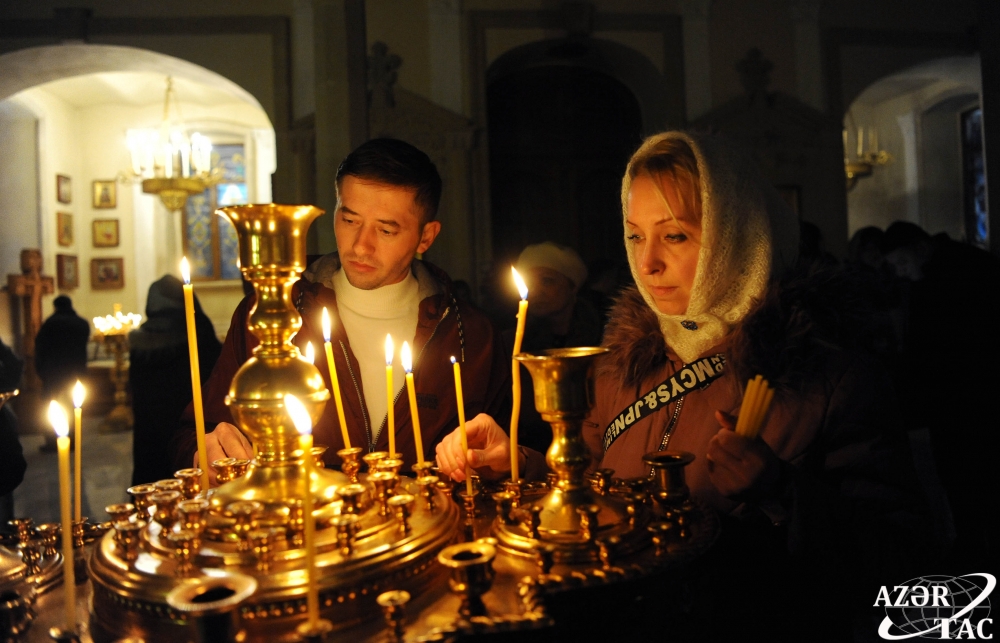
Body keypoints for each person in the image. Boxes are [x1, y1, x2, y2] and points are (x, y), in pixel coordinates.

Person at [436, 132, 929, 638]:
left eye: (674, 236)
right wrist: (519, 464)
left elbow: (901, 560)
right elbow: (590, 488)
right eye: (635, 236)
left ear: (735, 235)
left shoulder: (830, 379)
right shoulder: (619, 365)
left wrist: (782, 493)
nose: (647, 263)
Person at [173, 138, 509, 483]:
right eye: (349, 220)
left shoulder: (470, 335)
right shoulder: (273, 314)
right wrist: (205, 449)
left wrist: (510, 459)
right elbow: (196, 432)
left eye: (386, 230)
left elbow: (513, 451)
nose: (361, 246)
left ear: (426, 237)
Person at [881, 221, 1000, 569]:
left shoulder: (947, 277)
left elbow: (933, 348)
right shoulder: (962, 265)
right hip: (965, 398)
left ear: (920, 248)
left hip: (963, 400)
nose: (902, 272)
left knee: (967, 477)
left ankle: (975, 550)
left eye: (903, 263)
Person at [507, 242, 602, 452]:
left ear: (572, 286)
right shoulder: (514, 345)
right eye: (530, 282)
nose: (536, 291)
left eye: (547, 281)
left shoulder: (604, 339)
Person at [130, 275, 222, 486]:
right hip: (189, 427)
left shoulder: (142, 337)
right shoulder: (197, 327)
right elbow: (216, 373)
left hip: (151, 434)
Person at [35, 295, 90, 400]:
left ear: (55, 307)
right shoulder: (82, 323)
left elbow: (40, 345)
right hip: (76, 367)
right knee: (76, 399)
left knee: (53, 399)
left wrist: (40, 369)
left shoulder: (50, 323)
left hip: (54, 369)